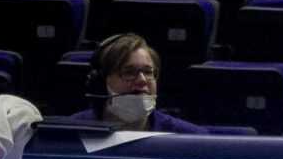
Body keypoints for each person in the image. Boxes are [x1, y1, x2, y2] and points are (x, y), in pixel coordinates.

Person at [55, 34, 208, 133]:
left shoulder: (190, 137)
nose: (142, 80)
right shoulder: (69, 133)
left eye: (148, 72)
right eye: (129, 72)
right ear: (102, 82)